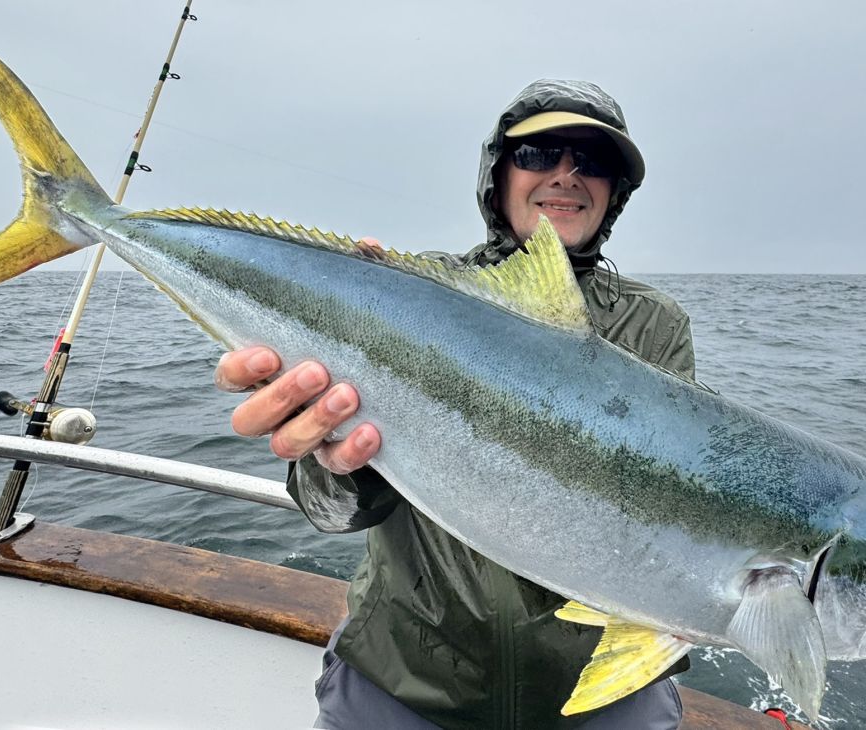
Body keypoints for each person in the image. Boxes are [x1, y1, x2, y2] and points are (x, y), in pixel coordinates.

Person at [215, 79, 696, 730]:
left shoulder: (654, 327)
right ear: (497, 175)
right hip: (402, 679)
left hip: (595, 698)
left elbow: (664, 516)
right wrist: (336, 454)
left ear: (616, 192)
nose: (566, 176)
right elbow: (330, 511)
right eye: (538, 154)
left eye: (593, 161)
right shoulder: (414, 291)